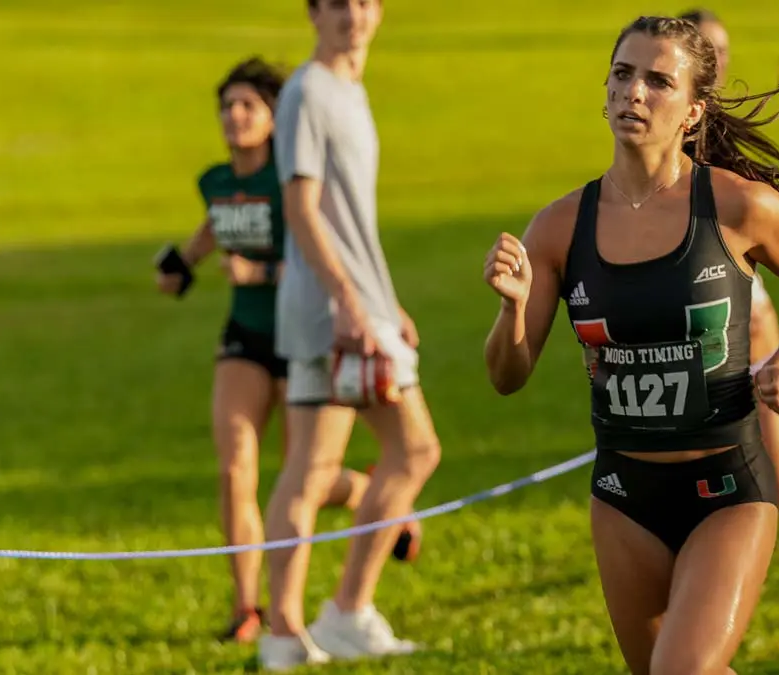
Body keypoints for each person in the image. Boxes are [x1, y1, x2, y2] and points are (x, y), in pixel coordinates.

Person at [483, 15, 779, 674]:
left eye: (657, 80)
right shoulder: (560, 227)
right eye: (623, 75)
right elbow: (507, 375)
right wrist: (512, 310)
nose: (635, 94)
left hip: (728, 486)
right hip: (624, 493)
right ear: (605, 90)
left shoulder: (738, 206)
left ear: (693, 111)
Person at [155, 56, 370, 645]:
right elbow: (218, 222)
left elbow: (319, 250)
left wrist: (260, 271)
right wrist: (184, 264)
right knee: (234, 469)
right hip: (245, 340)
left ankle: (375, 495)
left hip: (300, 337)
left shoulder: (292, 178)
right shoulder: (217, 181)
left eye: (248, 105)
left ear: (274, 118)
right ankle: (247, 606)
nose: (235, 116)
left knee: (305, 478)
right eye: (227, 106)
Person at [258, 0, 441, 669]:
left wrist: (385, 303)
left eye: (364, 2)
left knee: (381, 456)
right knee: (388, 454)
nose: (353, 15)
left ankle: (329, 617)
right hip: (332, 315)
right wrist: (349, 304)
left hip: (361, 308)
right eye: (337, 3)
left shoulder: (349, 91)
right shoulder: (307, 91)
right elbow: (302, 210)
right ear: (313, 13)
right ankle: (309, 622)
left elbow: (351, 217)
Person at [678, 6, 779, 552]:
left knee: (763, 400)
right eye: (708, 50)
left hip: (727, 289)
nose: (721, 60)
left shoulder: (707, 129)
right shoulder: (675, 116)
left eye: (724, 50)